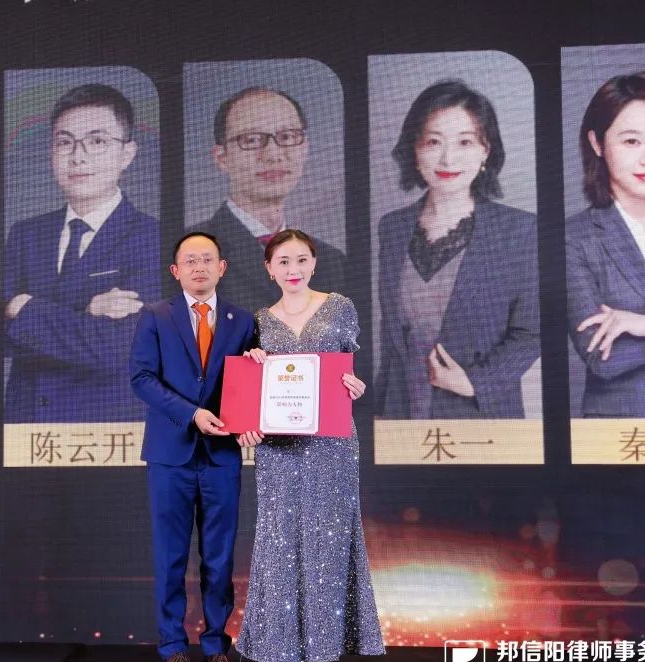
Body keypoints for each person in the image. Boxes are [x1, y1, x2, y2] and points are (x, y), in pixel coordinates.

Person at [236, 229, 384, 662]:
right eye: (283, 261)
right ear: (269, 268)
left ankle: (323, 651)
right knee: (279, 541)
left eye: (301, 259)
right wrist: (248, 411)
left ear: (314, 263)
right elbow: (250, 389)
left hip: (330, 444)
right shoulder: (258, 322)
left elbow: (345, 372)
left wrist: (354, 387)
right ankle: (281, 651)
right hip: (278, 449)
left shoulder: (339, 307)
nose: (293, 269)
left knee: (328, 540)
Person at [130, 232, 254, 662]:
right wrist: (191, 413)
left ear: (222, 267)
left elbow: (253, 382)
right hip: (171, 455)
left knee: (219, 558)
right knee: (171, 557)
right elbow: (141, 377)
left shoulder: (243, 321)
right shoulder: (155, 316)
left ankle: (217, 648)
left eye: (207, 259)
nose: (199, 267)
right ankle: (173, 650)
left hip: (221, 455)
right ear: (175, 271)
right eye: (190, 260)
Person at [374, 80, 540, 419]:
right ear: (414, 149)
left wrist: (476, 383)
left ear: (486, 151)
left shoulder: (520, 230)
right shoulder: (392, 227)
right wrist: (378, 407)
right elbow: (393, 339)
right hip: (400, 413)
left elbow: (532, 332)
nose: (448, 158)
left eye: (465, 142)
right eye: (433, 142)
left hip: (478, 415)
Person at [5, 84, 159, 422]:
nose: (78, 156)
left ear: (127, 154)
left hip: (103, 430)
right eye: (65, 142)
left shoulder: (155, 238)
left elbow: (113, 348)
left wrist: (23, 307)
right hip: (25, 426)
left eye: (97, 141)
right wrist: (86, 310)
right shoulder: (26, 234)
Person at [191, 86, 344, 312]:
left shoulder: (331, 262)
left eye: (287, 137)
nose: (273, 155)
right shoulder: (188, 252)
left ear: (305, 148)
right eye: (252, 140)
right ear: (222, 158)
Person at [566, 71, 645, 417]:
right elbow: (603, 356)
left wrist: (640, 324)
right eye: (632, 141)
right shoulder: (573, 239)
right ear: (597, 143)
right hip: (622, 429)